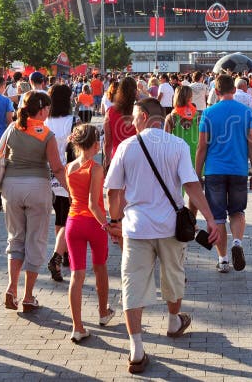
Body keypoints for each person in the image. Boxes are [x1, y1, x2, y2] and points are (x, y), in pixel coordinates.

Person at [105, 98, 221, 374]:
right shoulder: (177, 145)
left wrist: (114, 221)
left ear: (144, 116)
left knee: (132, 284)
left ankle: (136, 347)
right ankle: (172, 321)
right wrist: (210, 217)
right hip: (171, 228)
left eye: (134, 117)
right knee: (173, 276)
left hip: (135, 229)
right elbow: (191, 185)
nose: (131, 122)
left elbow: (113, 191)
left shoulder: (126, 147)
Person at [1, 91, 68, 312]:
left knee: (15, 238)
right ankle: (29, 296)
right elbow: (57, 168)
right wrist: (72, 191)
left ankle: (12, 288)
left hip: (11, 188)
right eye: (47, 109)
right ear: (41, 110)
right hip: (37, 188)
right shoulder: (45, 134)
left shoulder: (12, 128)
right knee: (36, 241)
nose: (49, 112)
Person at [196, 75, 252, 273]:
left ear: (216, 91)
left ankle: (223, 260)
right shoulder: (246, 112)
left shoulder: (208, 113)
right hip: (239, 170)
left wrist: (197, 174)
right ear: (234, 90)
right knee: (238, 212)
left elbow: (201, 147)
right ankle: (238, 243)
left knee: (217, 218)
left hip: (214, 171)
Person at [65, 124, 115, 343]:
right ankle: (103, 312)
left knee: (77, 275)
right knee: (100, 267)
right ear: (95, 145)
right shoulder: (96, 169)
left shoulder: (70, 167)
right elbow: (94, 204)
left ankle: (77, 326)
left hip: (73, 223)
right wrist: (108, 226)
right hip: (93, 224)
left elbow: (74, 198)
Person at [45, 84, 75, 282]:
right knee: (67, 216)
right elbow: (74, 150)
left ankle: (62, 252)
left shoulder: (45, 120)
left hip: (46, 172)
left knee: (59, 216)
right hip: (66, 172)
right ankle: (59, 255)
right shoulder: (72, 121)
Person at [103, 77, 137, 171]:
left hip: (117, 158)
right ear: (135, 92)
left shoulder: (110, 112)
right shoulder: (140, 111)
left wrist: (107, 159)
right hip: (137, 159)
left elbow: (108, 142)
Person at [164, 85, 200, 168]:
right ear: (190, 98)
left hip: (177, 157)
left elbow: (166, 141)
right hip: (196, 157)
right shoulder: (199, 116)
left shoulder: (171, 117)